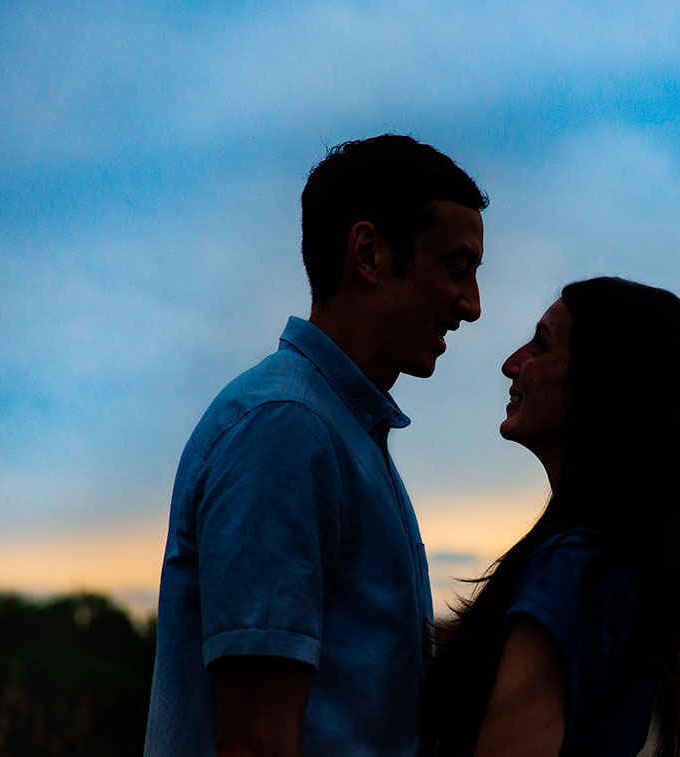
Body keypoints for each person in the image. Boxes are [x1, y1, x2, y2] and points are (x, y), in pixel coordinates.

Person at [143, 134, 488, 756]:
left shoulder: (335, 427)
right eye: (455, 267)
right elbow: (256, 739)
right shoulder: (286, 429)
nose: (472, 304)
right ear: (368, 252)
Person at [424, 277, 680, 756]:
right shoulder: (623, 571)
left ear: (600, 384)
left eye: (540, 345)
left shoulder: (571, 573)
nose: (511, 363)